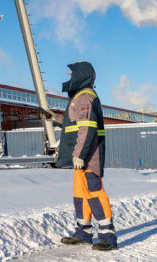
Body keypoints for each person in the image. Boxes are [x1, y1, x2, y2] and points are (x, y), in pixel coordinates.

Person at [56, 61, 117, 251]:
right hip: (81, 158)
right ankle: (84, 233)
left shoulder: (85, 97)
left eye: (72, 73)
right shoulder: (80, 97)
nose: (69, 76)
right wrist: (53, 118)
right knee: (80, 195)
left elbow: (87, 129)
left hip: (88, 157)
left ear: (81, 75)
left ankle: (108, 236)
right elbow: (74, 124)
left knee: (94, 193)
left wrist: (79, 155)